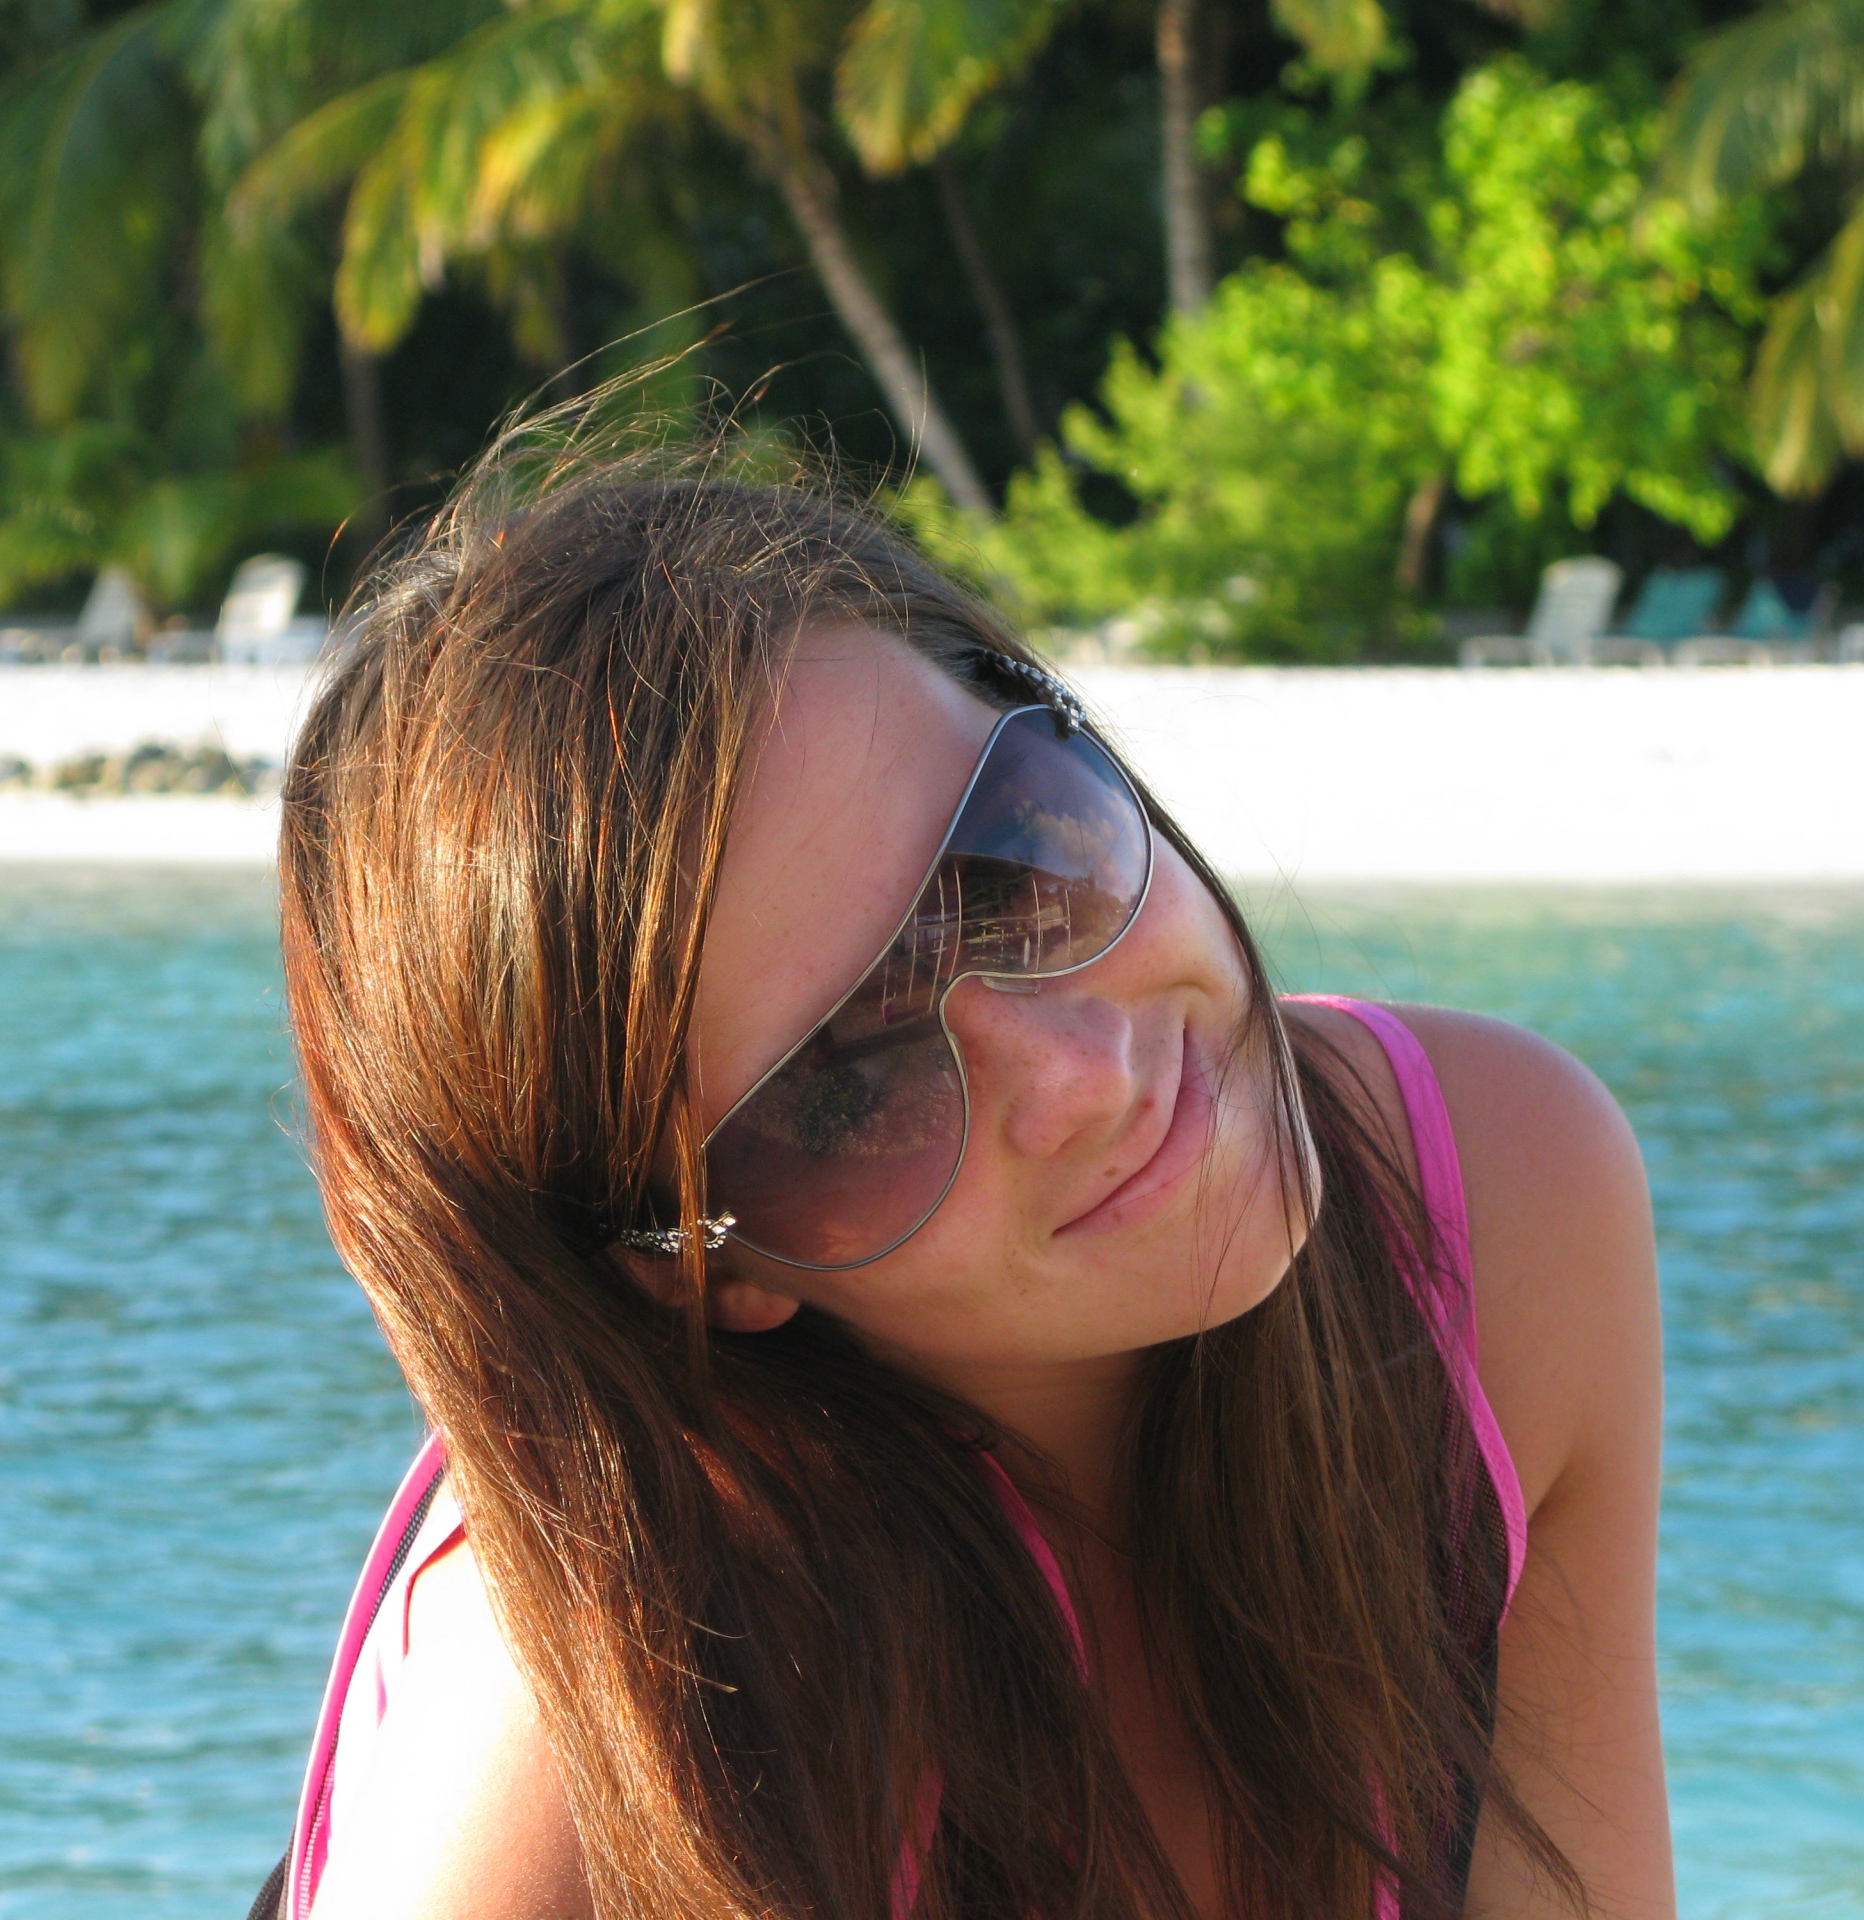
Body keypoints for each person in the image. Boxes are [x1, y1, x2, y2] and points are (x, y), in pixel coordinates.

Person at [266, 438, 1671, 1920]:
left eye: (1016, 863)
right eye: (847, 1088)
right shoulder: (592, 1749)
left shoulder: (1498, 1199)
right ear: (699, 1264)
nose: (1080, 1075)